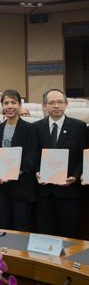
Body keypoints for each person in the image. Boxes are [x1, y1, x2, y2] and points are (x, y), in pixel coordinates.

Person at [33, 89, 87, 238]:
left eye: (60, 102)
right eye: (51, 102)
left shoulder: (80, 127)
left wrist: (75, 176)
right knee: (45, 233)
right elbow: (34, 155)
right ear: (44, 106)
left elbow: (84, 156)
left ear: (66, 104)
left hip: (70, 191)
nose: (56, 106)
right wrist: (37, 172)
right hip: (45, 192)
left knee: (69, 233)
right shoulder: (36, 127)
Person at [0, 89, 37, 232]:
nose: (9, 106)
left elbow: (31, 158)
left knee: (21, 226)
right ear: (2, 106)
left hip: (22, 186)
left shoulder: (30, 129)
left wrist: (10, 174)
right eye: (6, 103)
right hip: (1, 188)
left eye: (13, 102)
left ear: (19, 105)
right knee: (3, 225)